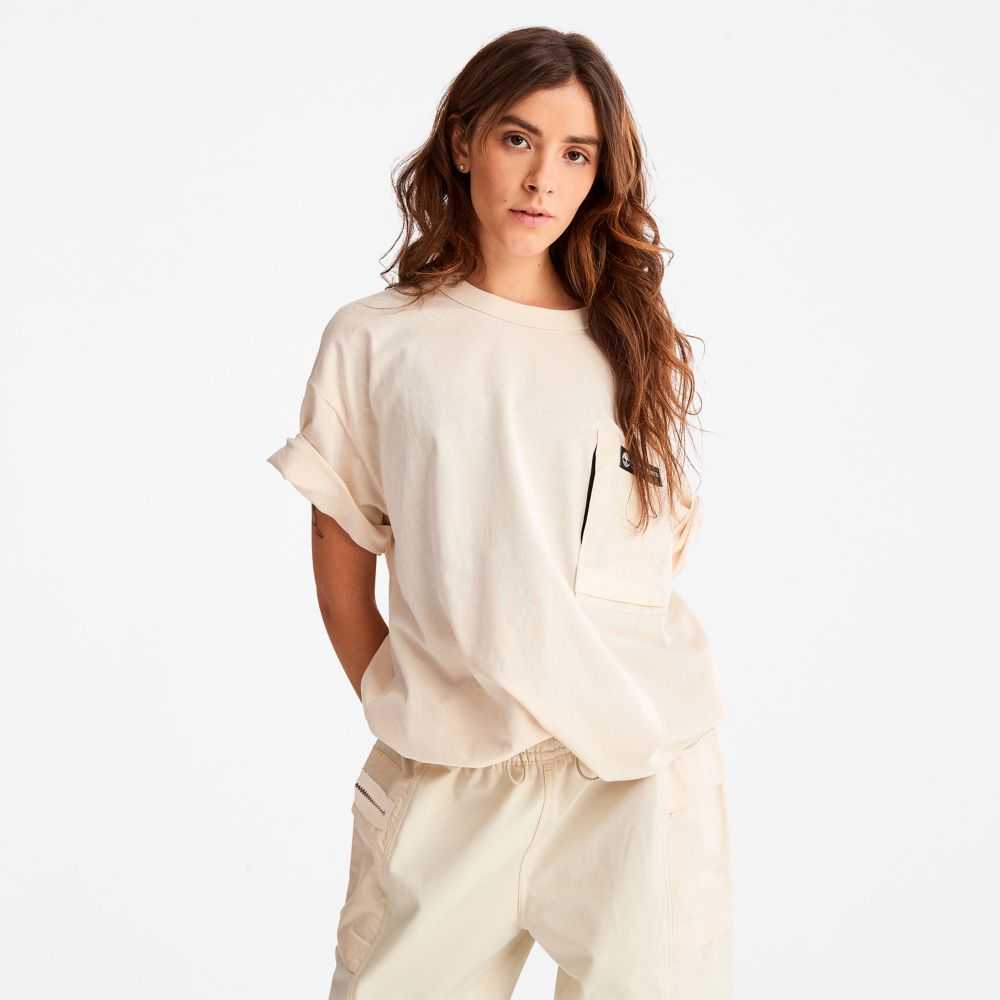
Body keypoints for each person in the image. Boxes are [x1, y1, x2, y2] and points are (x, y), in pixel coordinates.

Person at [266, 25, 732, 1000]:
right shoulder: (378, 341)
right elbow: (341, 574)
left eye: (576, 154)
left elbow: (645, 571)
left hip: (635, 778)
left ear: (600, 176)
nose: (541, 179)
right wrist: (422, 715)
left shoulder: (634, 345)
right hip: (451, 777)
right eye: (519, 139)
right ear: (464, 141)